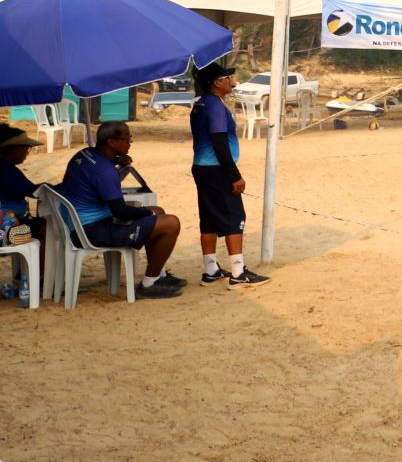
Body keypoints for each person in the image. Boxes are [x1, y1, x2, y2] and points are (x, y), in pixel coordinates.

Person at [57, 121, 186, 298]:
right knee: (171, 223)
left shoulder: (86, 154)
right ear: (111, 142)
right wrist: (149, 212)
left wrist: (119, 165)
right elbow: (121, 212)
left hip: (79, 224)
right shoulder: (104, 170)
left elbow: (102, 184)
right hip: (91, 230)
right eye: (127, 138)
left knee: (159, 212)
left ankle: (158, 275)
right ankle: (148, 285)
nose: (130, 142)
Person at [190, 61, 270, 288]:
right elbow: (219, 142)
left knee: (209, 218)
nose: (232, 82)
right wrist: (234, 175)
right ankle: (238, 272)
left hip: (202, 168)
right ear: (217, 83)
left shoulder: (201, 104)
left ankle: (211, 269)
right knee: (235, 217)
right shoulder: (215, 106)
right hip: (217, 169)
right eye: (228, 78)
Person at [0, 125, 47, 285]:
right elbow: (33, 191)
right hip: (6, 230)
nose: (27, 152)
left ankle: (24, 274)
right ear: (13, 148)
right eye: (25, 148)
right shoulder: (5, 170)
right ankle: (37, 277)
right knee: (48, 229)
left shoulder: (6, 167)